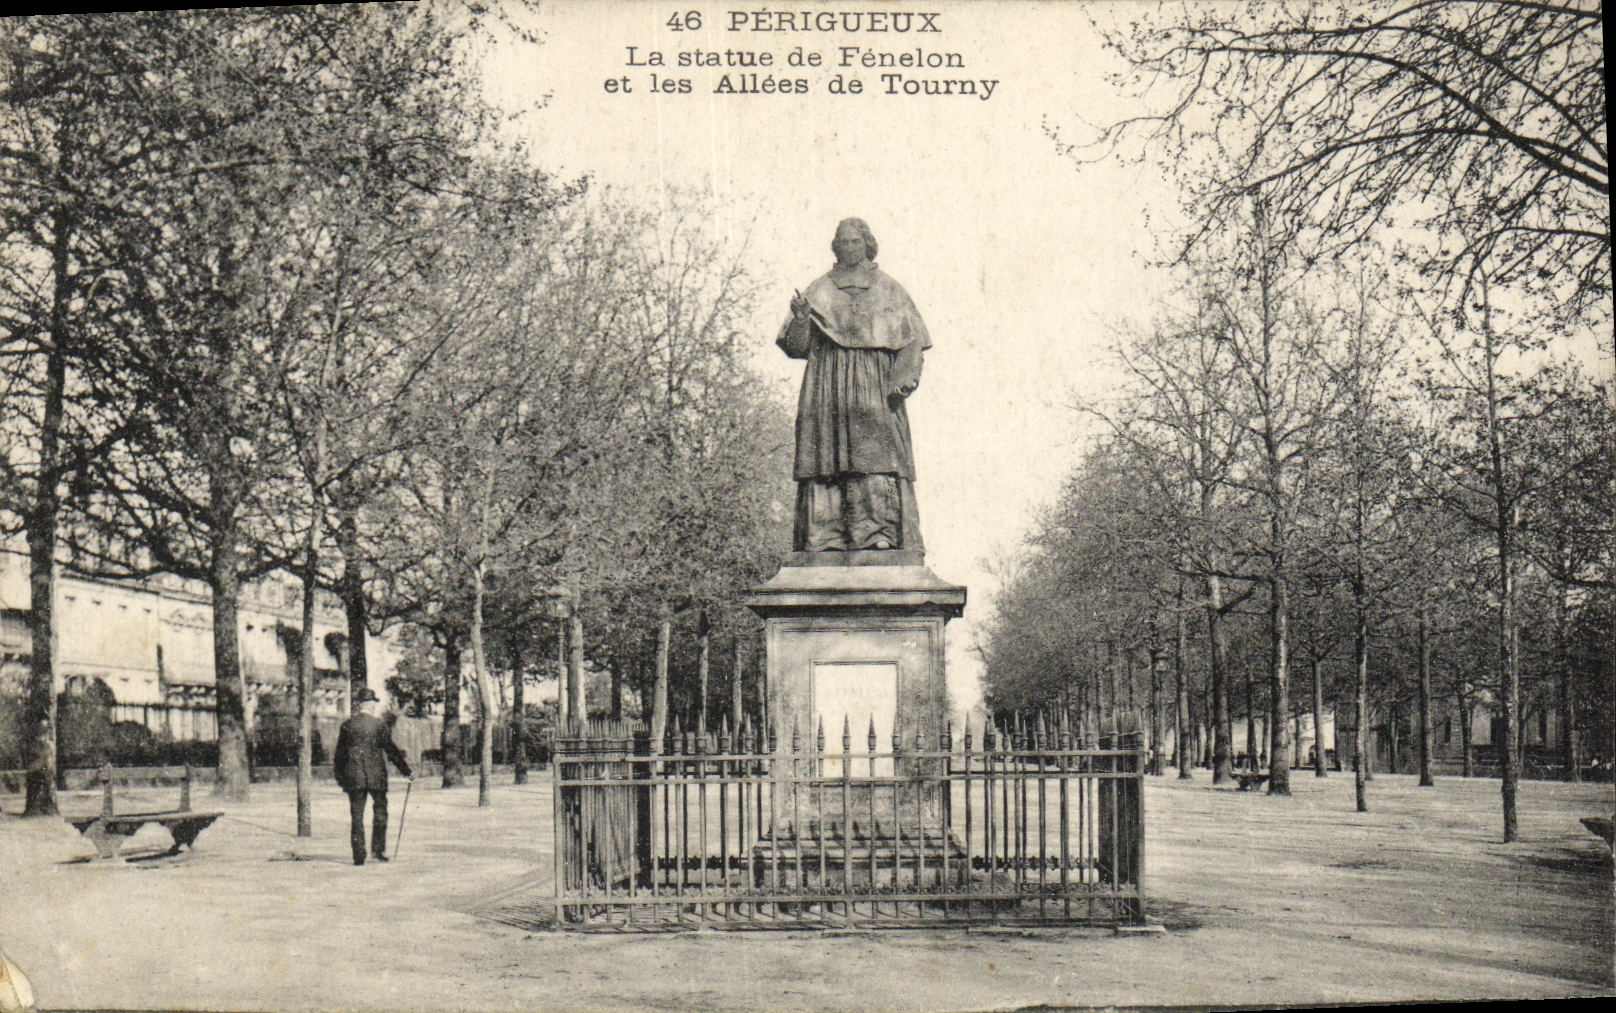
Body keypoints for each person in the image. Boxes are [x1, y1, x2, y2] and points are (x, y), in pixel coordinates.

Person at [778, 217, 931, 553]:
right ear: (836, 247)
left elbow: (913, 342)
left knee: (874, 459)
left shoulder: (889, 289)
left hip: (872, 385)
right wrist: (802, 319)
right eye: (842, 242)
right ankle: (825, 535)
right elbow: (797, 346)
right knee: (825, 458)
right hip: (826, 385)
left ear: (867, 244)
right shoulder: (818, 290)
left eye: (855, 241)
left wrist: (902, 380)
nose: (849, 247)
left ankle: (878, 532)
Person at [333, 687, 412, 866]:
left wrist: (342, 780)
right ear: (370, 705)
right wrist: (406, 771)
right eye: (373, 703)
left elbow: (339, 757)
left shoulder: (347, 725)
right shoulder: (379, 725)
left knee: (357, 816)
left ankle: (358, 855)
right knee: (380, 813)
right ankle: (378, 851)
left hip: (355, 778)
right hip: (376, 777)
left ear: (359, 705)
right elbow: (391, 750)